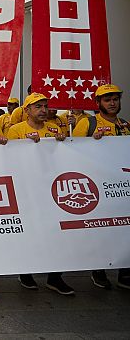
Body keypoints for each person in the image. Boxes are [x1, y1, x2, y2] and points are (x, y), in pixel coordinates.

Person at [72, 84, 129, 290]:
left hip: (121, 187)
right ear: (98, 103)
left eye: (115, 99)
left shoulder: (125, 125)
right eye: (107, 100)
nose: (112, 103)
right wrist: (91, 143)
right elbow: (72, 151)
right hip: (96, 185)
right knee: (100, 229)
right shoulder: (89, 123)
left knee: (123, 229)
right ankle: (99, 270)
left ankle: (125, 272)